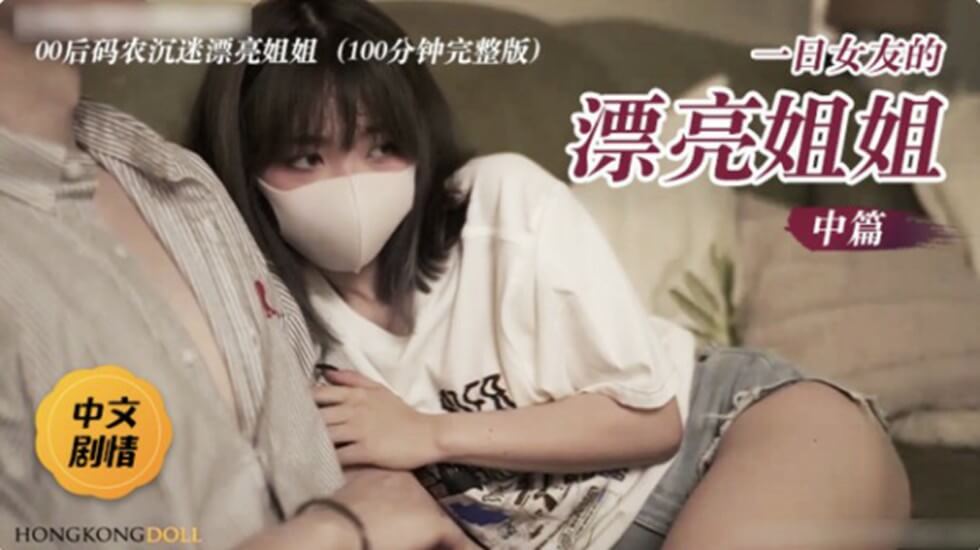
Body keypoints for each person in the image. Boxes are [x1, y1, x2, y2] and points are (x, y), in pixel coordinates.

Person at [190, 0, 912, 549]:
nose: (352, 184)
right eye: (307, 157)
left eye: (381, 147)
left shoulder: (500, 200)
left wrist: (430, 434)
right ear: (247, 167)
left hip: (730, 429)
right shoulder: (265, 313)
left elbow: (655, 420)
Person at [0, 1, 473, 549]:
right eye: (306, 156)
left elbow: (314, 414)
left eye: (382, 147)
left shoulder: (177, 178)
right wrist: (339, 529)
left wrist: (393, 492)